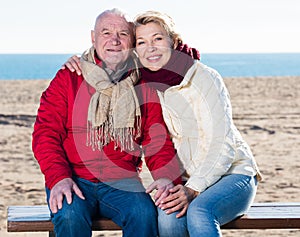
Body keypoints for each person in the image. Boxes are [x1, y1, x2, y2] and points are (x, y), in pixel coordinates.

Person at [64, 10, 262, 237]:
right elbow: (155, 140)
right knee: (168, 218)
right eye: (141, 41)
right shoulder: (142, 82)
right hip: (187, 180)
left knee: (199, 212)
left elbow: (221, 145)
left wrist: (193, 189)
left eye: (157, 38)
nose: (151, 47)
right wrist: (82, 61)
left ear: (173, 41)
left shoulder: (205, 77)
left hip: (231, 173)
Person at [32, 9, 182, 237]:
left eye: (122, 33)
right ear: (93, 38)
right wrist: (58, 178)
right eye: (106, 33)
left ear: (131, 41)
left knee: (144, 214)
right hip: (73, 177)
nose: (114, 40)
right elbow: (45, 134)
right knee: (69, 215)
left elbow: (156, 139)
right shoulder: (69, 77)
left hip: (123, 182)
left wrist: (165, 177)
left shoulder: (144, 82)